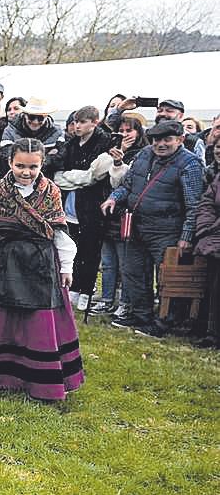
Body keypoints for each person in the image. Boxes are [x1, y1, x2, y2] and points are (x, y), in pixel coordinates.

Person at [0, 138, 83, 400]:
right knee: (0, 318)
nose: (26, 171)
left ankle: (38, 377)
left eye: (33, 166)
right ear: (10, 162)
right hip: (0, 262)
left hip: (39, 266)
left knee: (37, 322)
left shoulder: (51, 192)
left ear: (41, 164)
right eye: (20, 165)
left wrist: (66, 268)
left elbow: (60, 234)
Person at [101, 120, 205, 337]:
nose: (161, 144)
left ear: (180, 140)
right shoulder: (144, 154)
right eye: (157, 139)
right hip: (136, 224)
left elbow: (194, 205)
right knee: (133, 272)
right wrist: (113, 198)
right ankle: (141, 316)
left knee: (168, 278)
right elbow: (127, 185)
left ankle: (166, 321)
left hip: (168, 229)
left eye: (167, 139)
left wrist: (186, 236)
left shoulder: (190, 164)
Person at [53, 105, 114, 310]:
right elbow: (58, 174)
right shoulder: (71, 144)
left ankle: (87, 290)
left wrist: (73, 177)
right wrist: (79, 178)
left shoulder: (104, 142)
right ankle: (73, 288)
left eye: (81, 122)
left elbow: (96, 175)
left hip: (93, 205)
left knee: (90, 250)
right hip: (71, 203)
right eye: (74, 122)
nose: (77, 126)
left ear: (94, 122)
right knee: (73, 248)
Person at [92, 113, 147, 314]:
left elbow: (124, 183)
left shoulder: (143, 154)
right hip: (108, 212)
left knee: (125, 264)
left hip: (127, 215)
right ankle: (107, 299)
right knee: (108, 262)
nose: (124, 135)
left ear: (139, 132)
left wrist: (119, 161)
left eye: (129, 131)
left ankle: (125, 302)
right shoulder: (110, 151)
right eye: (121, 131)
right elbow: (97, 175)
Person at [192, 172, 220, 348]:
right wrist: (206, 227)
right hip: (215, 238)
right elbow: (207, 201)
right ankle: (212, 333)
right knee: (214, 287)